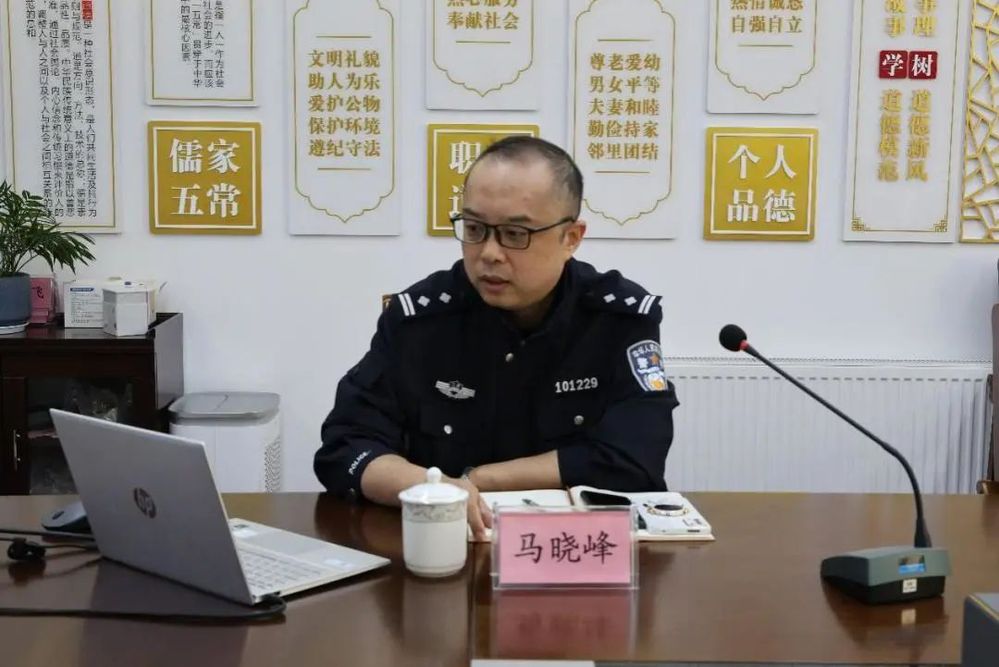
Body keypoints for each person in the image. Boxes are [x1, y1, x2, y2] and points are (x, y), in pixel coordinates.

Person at [315, 136, 679, 539]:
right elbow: (346, 447)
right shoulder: (419, 321)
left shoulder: (618, 320)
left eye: (514, 234)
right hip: (447, 544)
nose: (489, 253)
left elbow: (636, 459)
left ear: (571, 238)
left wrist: (478, 479)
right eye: (474, 228)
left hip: (576, 549)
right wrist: (432, 489)